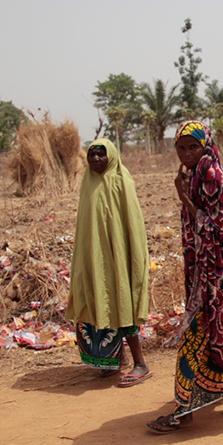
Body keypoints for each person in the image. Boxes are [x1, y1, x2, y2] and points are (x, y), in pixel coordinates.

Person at [146, 121, 223, 434]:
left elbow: (213, 228)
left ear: (206, 146)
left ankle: (183, 412)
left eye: (193, 146)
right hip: (218, 268)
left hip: (220, 272)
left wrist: (184, 198)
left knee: (196, 334)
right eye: (181, 147)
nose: (186, 153)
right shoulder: (198, 174)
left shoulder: (210, 176)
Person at [66, 139, 152, 387]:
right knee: (98, 301)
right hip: (95, 257)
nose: (95, 160)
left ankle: (141, 364)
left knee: (122, 303)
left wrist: (129, 257)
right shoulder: (88, 184)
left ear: (111, 156)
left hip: (118, 256)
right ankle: (115, 358)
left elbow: (132, 225)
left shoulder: (121, 180)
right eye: (91, 156)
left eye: (100, 155)